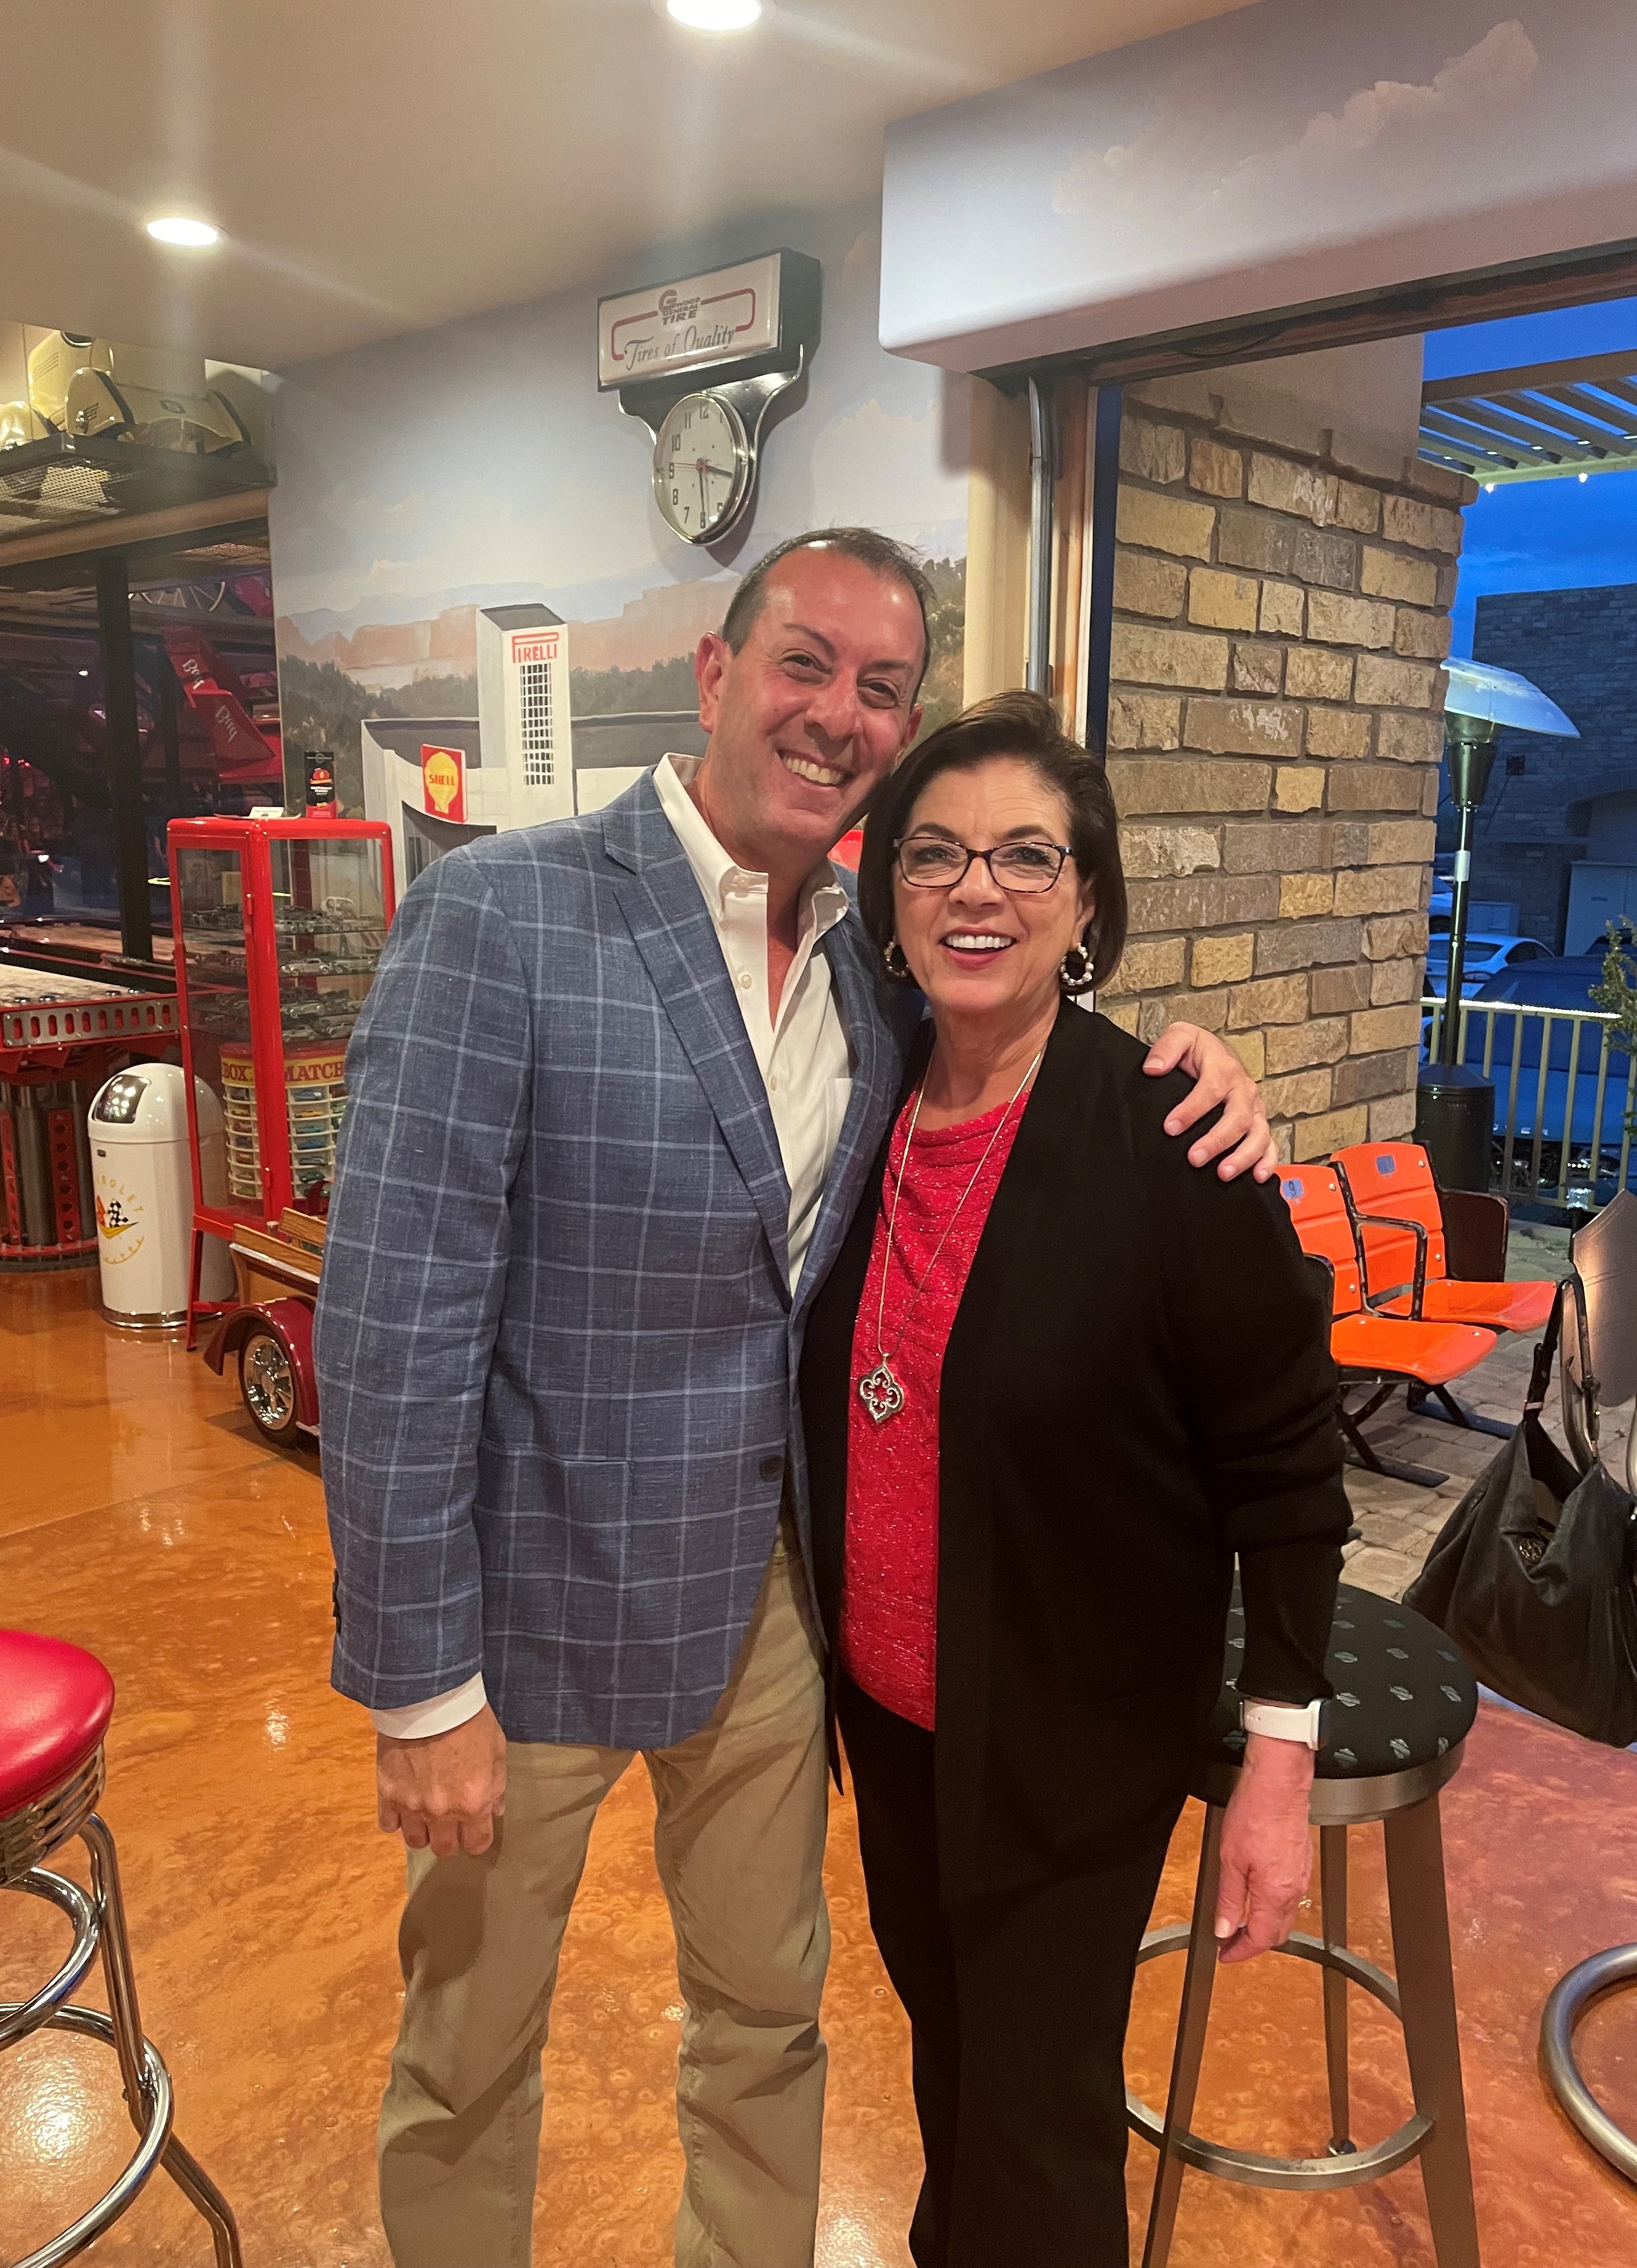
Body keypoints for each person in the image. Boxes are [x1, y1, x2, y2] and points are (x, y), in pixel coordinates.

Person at [316, 528, 1277, 2268]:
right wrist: (417, 1681)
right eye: (806, 663)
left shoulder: (866, 963)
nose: (840, 714)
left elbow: (1017, 1033)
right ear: (716, 672)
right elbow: (394, 1322)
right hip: (523, 1627)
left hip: (770, 1620)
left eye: (883, 687)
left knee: (767, 2030)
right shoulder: (501, 914)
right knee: (469, 2056)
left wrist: (1183, 1062)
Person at [799, 689, 1352, 2268]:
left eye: (1027, 856)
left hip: (1072, 1738)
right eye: (935, 855)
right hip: (894, 1720)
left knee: (1039, 2130)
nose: (978, 890)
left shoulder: (1174, 1140)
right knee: (955, 2062)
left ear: (1088, 901)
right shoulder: (861, 1102)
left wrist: (1279, 1767)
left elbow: (1287, 1470)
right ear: (890, 897)